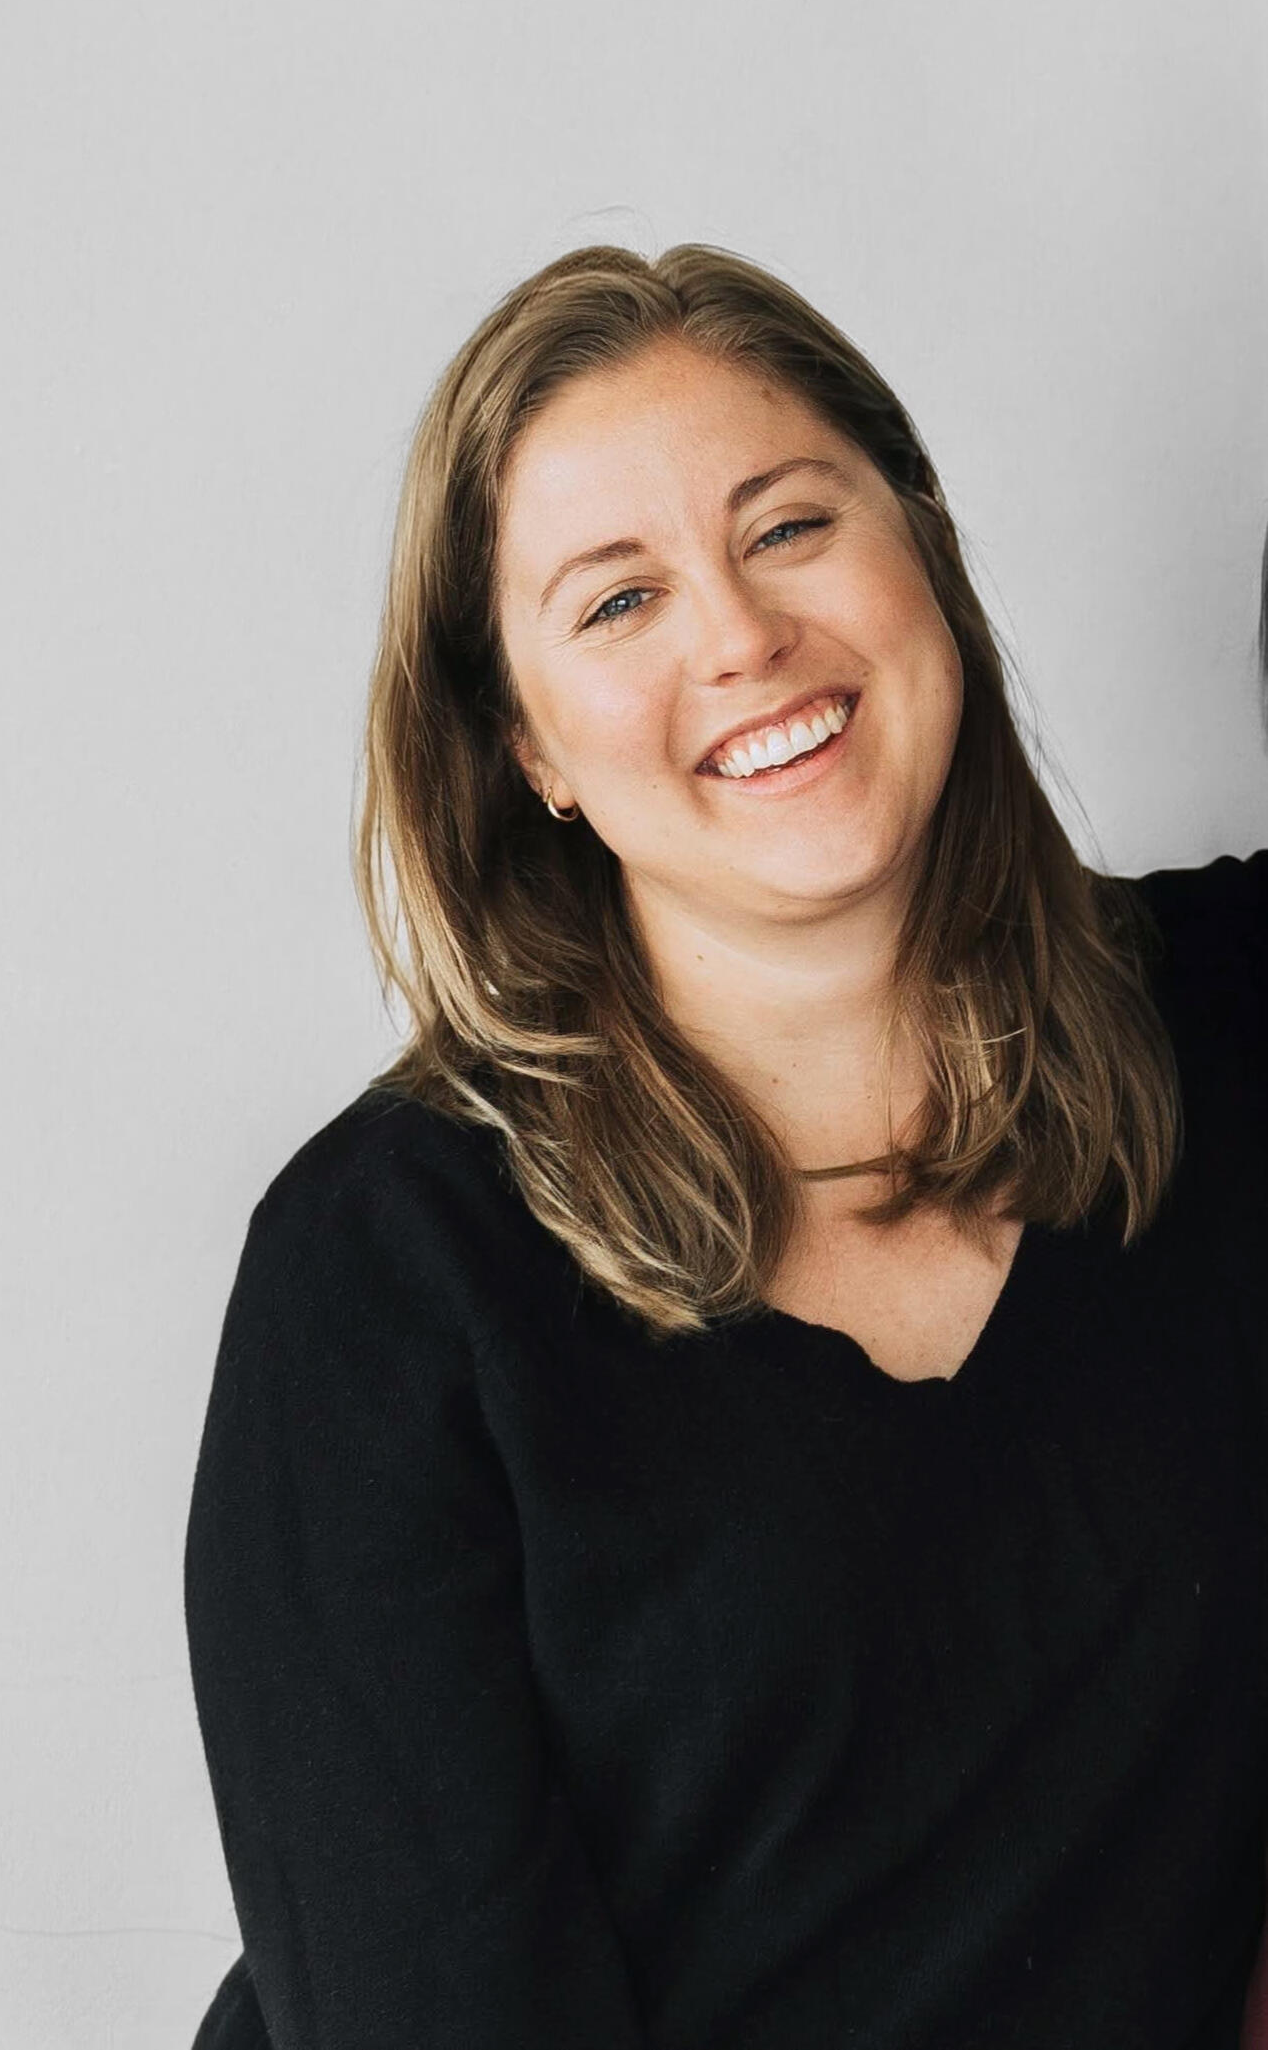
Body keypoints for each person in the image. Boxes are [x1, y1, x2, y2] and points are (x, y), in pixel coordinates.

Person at [183, 242, 1268, 2048]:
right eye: (614, 602)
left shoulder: (1227, 1025)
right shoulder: (385, 1273)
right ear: (524, 744)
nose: (740, 636)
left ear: (919, 544)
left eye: (788, 527)